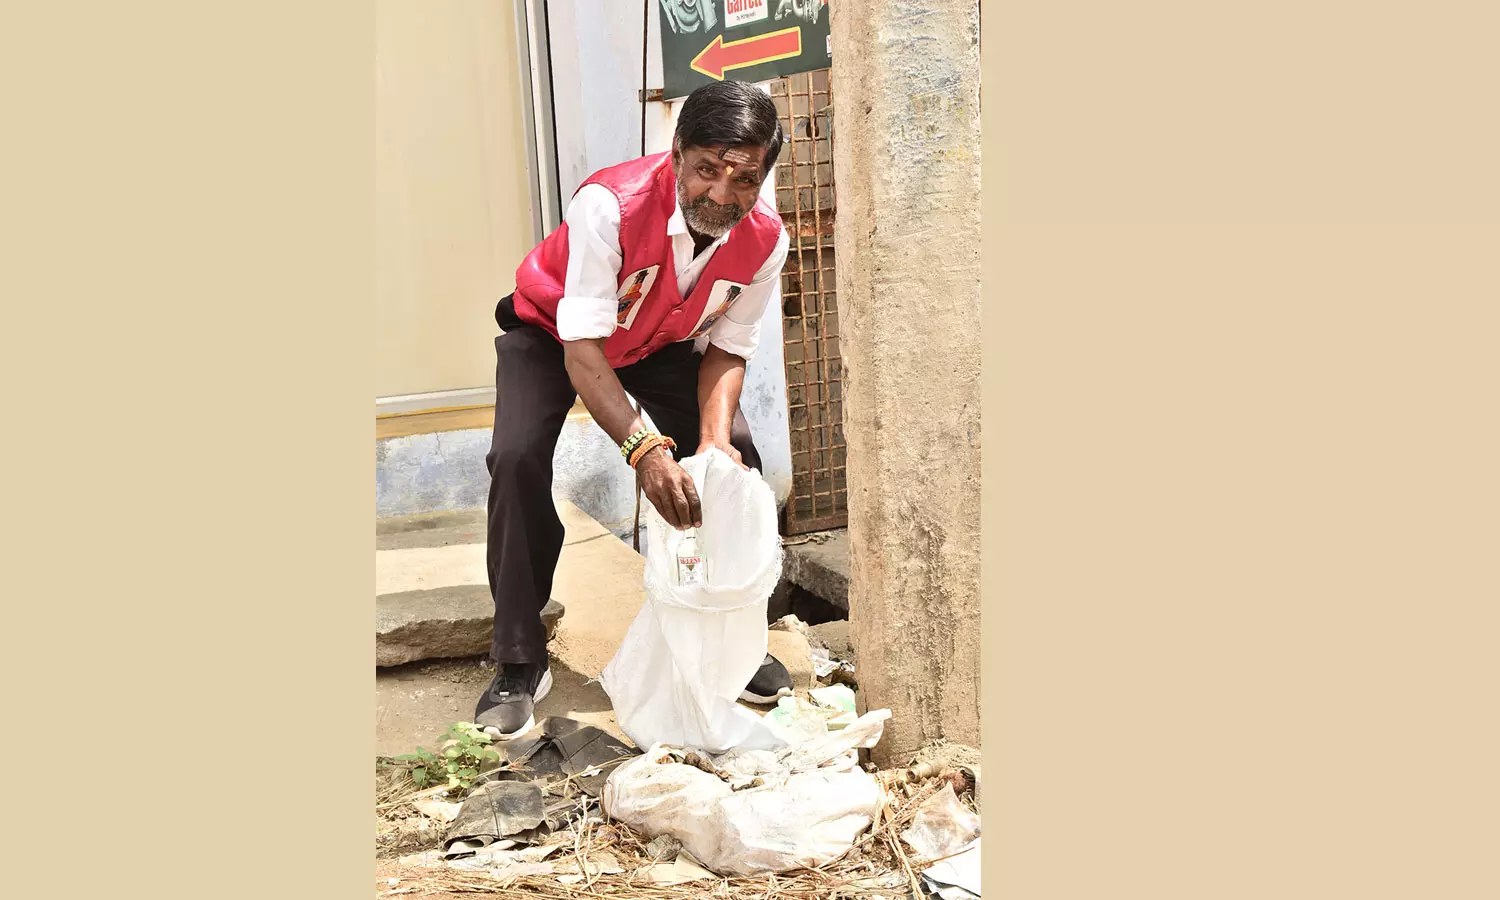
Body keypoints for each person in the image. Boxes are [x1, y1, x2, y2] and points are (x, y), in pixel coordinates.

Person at [476, 81, 795, 739]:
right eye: (708, 168)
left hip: (659, 342)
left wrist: (711, 442)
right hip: (556, 333)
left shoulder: (765, 241)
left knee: (737, 459)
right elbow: (584, 351)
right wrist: (644, 450)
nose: (723, 194)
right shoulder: (609, 206)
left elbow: (728, 351)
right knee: (515, 457)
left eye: (745, 177)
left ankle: (730, 639)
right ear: (677, 153)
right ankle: (517, 655)